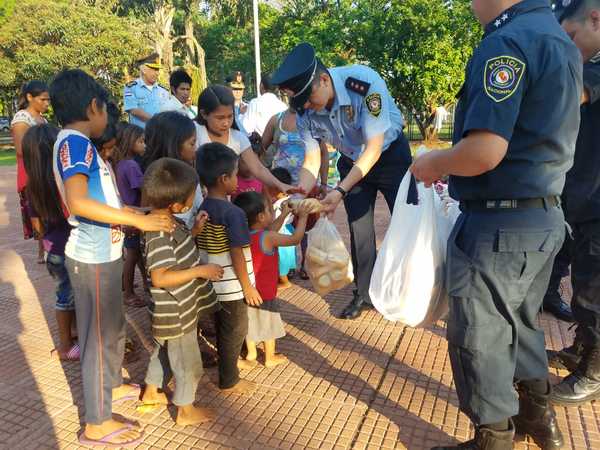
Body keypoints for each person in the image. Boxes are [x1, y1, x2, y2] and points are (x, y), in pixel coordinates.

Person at [409, 1, 582, 448]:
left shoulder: (507, 42)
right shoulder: (558, 39)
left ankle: (494, 439)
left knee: (480, 337)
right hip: (543, 217)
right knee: (521, 323)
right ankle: (537, 420)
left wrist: (433, 162)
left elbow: (484, 152)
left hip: (499, 224)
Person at [50, 68, 174, 447]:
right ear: (93, 107)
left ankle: (112, 385)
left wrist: (137, 216)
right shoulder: (75, 144)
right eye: (106, 110)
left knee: (112, 330)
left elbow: (103, 200)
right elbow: (79, 202)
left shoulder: (81, 144)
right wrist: (136, 220)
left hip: (106, 252)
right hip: (92, 259)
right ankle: (97, 421)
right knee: (97, 339)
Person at [271, 43, 415, 320]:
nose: (310, 108)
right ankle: (364, 293)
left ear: (323, 80)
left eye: (311, 101)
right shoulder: (304, 112)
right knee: (359, 231)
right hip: (352, 163)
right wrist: (300, 195)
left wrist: (339, 190)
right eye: (304, 105)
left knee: (405, 223)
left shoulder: (363, 83)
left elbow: (373, 148)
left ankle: (406, 289)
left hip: (389, 156)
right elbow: (312, 159)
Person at [140, 157, 222, 425]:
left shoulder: (168, 220)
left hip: (171, 310)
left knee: (163, 351)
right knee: (187, 361)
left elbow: (178, 253)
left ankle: (151, 391)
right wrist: (201, 271)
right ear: (177, 204)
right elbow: (161, 276)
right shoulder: (159, 232)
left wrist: (195, 230)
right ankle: (185, 410)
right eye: (192, 194)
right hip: (176, 310)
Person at [547, 0, 600, 408]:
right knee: (583, 285)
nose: (568, 46)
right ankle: (581, 350)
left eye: (570, 36)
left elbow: (572, 94)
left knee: (593, 293)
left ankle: (593, 372)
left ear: (596, 19)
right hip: (585, 199)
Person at [195, 142, 258, 394]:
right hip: (232, 284)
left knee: (222, 326)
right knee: (236, 330)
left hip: (212, 281)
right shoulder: (233, 213)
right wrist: (248, 287)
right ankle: (229, 379)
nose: (237, 179)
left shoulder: (204, 206)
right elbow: (237, 253)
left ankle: (226, 367)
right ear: (224, 179)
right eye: (234, 174)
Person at [233, 191, 310, 367]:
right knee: (269, 322)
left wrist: (283, 214)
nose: (272, 213)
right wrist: (303, 217)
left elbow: (270, 229)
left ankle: (251, 353)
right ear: (261, 216)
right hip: (266, 291)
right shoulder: (267, 237)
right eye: (270, 210)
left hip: (248, 289)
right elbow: (295, 239)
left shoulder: (246, 234)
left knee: (250, 321)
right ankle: (269, 357)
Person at [22, 124, 78, 361]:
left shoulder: (33, 187)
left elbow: (36, 226)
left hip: (52, 248)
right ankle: (64, 346)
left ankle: (72, 334)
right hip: (67, 248)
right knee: (66, 297)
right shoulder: (60, 183)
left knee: (67, 294)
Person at [262, 107, 330, 279]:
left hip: (307, 186)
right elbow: (261, 149)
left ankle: (306, 263)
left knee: (307, 227)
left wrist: (324, 182)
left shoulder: (314, 121)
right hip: (279, 187)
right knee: (281, 224)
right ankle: (285, 265)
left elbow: (323, 153)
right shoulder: (276, 119)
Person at [194, 85, 296, 195]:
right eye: (220, 118)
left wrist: (280, 185)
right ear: (204, 114)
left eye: (230, 116)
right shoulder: (194, 132)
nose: (226, 123)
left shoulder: (238, 138)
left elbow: (258, 168)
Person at [10, 80, 50, 264]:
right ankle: (43, 248)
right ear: (29, 97)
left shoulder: (43, 119)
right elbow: (20, 149)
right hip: (31, 171)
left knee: (47, 208)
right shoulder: (22, 119)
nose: (46, 103)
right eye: (43, 99)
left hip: (45, 169)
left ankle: (48, 245)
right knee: (36, 210)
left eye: (48, 100)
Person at [141, 111, 201, 230]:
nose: (196, 148)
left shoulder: (188, 172)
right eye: (192, 143)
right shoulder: (157, 181)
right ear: (173, 145)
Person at [113, 124, 148, 307]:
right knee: (133, 255)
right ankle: (129, 293)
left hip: (128, 215)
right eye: (141, 141)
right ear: (130, 142)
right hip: (135, 216)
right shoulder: (132, 165)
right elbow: (143, 188)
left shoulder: (120, 164)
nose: (144, 146)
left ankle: (136, 285)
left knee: (135, 254)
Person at [123, 53, 170, 128]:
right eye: (154, 70)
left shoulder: (164, 90)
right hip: (140, 137)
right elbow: (133, 110)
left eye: (158, 70)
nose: (157, 73)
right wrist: (156, 122)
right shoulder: (131, 88)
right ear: (144, 70)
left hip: (160, 136)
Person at [240, 73, 287, 138]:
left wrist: (242, 115)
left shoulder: (255, 103)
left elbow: (246, 129)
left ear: (261, 86)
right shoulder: (283, 106)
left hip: (261, 145)